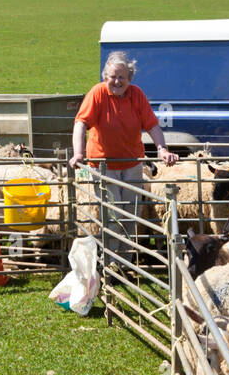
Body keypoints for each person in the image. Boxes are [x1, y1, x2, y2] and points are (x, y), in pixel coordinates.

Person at [70, 51, 178, 265]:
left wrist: (162, 149)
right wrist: (78, 153)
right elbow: (81, 123)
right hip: (104, 165)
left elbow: (152, 125)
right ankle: (109, 263)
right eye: (113, 77)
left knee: (131, 215)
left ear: (130, 78)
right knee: (113, 215)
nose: (117, 81)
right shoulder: (97, 94)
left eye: (122, 77)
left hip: (132, 164)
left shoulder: (136, 94)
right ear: (105, 77)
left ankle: (124, 263)